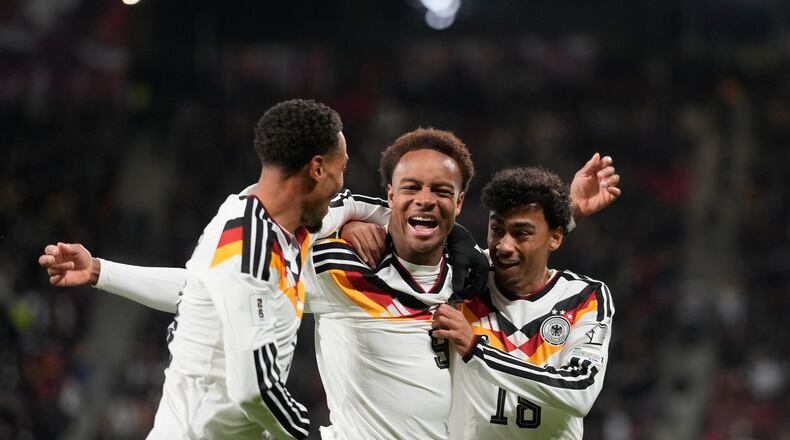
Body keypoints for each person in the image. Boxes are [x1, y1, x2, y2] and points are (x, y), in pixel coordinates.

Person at [40, 129, 620, 439]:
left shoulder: (472, 284)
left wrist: (563, 210)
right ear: (387, 197)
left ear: (459, 203)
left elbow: (526, 257)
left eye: (441, 192)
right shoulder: (340, 271)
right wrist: (102, 272)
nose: (425, 200)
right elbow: (212, 289)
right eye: (409, 188)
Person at [40, 98, 396, 439]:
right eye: (342, 168)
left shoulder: (281, 221)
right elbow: (253, 390)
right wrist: (304, 432)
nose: (342, 181)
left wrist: (101, 271)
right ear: (316, 169)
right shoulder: (250, 248)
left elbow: (197, 291)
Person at [432, 167, 614, 439]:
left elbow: (580, 391)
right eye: (496, 230)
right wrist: (353, 221)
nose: (503, 246)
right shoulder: (465, 282)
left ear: (556, 238)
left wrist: (476, 350)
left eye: (521, 233)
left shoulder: (583, 297)